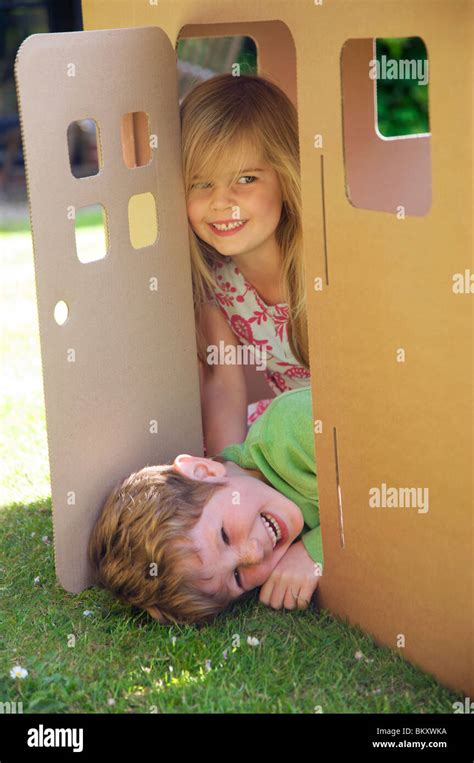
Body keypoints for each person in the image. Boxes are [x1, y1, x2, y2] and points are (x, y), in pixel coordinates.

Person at [88, 387, 323, 626]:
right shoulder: (282, 531)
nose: (255, 553)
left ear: (204, 472)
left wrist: (315, 551)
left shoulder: (293, 430)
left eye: (225, 536)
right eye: (237, 577)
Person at [180, 74, 311, 455]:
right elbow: (223, 384)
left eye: (246, 178)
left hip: (356, 417)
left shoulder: (319, 262)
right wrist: (229, 474)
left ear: (286, 178)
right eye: (201, 184)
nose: (223, 202)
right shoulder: (217, 285)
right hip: (296, 434)